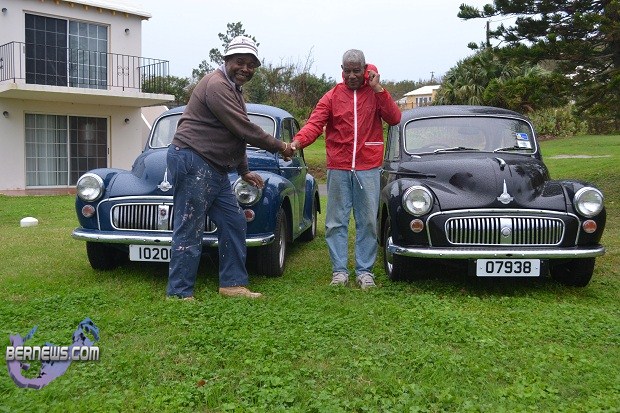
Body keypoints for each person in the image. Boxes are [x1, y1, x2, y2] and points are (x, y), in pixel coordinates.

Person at [166, 36, 295, 300]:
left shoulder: (233, 91)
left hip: (215, 168)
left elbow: (236, 135)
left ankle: (232, 284)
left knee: (234, 220)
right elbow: (244, 129)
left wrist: (244, 170)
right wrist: (281, 146)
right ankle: (179, 293)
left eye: (251, 65)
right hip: (193, 160)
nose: (245, 69)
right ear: (226, 60)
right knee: (189, 225)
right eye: (240, 62)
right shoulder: (216, 85)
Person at [291, 49, 401, 289]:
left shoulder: (375, 94)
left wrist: (378, 89)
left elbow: (394, 118)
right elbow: (314, 124)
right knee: (335, 222)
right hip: (338, 167)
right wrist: (297, 142)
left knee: (368, 222)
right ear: (342, 70)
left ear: (366, 70)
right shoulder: (331, 96)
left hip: (368, 167)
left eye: (356, 70)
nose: (351, 75)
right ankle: (339, 271)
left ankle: (365, 272)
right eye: (347, 70)